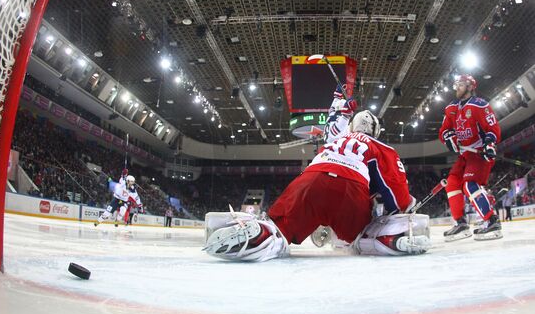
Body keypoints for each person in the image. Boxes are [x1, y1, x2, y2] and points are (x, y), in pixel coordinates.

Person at [203, 109, 429, 262]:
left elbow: (328, 177)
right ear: (376, 132)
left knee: (280, 230)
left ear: (351, 128)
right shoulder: (381, 147)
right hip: (350, 190)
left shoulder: (334, 142)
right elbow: (396, 194)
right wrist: (402, 209)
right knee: (362, 238)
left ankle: (261, 234)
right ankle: (387, 239)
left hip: (311, 181)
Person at [439, 74, 502, 241]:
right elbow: (444, 130)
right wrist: (449, 138)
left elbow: (492, 128)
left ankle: (492, 221)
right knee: (452, 183)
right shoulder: (451, 108)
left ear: (471, 86)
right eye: (456, 84)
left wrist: (489, 144)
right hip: (465, 154)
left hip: (479, 152)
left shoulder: (480, 105)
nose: (457, 87)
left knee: (469, 185)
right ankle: (460, 223)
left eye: (461, 84)